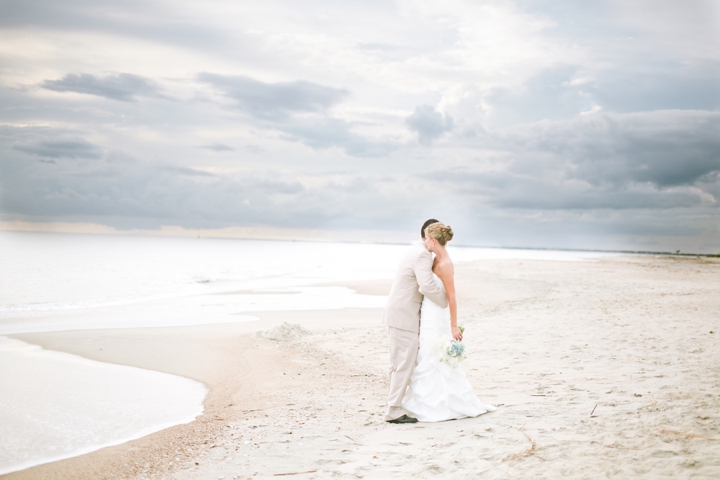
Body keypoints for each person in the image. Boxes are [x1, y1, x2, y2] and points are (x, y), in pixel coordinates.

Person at [401, 222, 496, 422]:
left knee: (436, 355)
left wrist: (453, 325)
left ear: (433, 240)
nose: (424, 241)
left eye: (426, 238)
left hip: (438, 315)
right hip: (428, 313)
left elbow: (452, 297)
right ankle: (426, 400)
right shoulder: (433, 259)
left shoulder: (445, 264)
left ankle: (445, 404)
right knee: (427, 353)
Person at [382, 219, 448, 423]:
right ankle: (393, 410)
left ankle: (397, 405)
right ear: (429, 236)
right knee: (403, 364)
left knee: (400, 363)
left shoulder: (415, 250)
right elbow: (426, 285)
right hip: (404, 317)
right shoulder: (422, 254)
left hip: (400, 314)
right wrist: (446, 300)